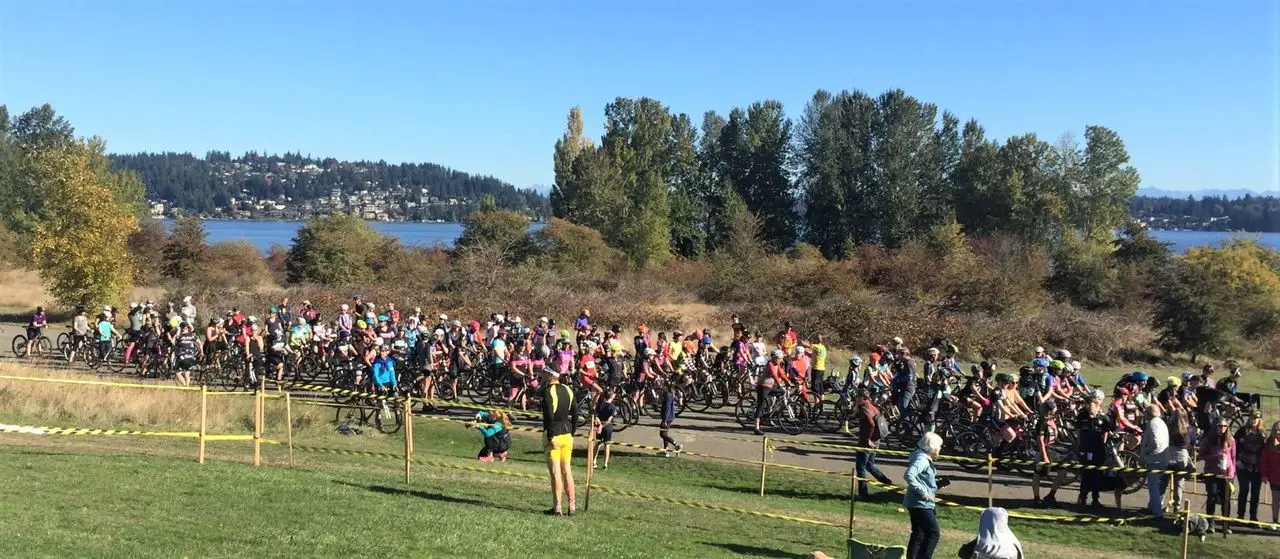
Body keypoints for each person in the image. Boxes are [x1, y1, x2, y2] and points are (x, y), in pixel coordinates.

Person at [541, 366, 576, 516]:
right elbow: (575, 412)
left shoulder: (549, 392)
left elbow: (549, 415)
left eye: (544, 372)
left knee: (555, 472)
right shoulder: (568, 389)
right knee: (567, 470)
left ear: (550, 375)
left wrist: (550, 436)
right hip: (567, 434)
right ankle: (572, 506)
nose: (542, 375)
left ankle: (558, 507)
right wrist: (572, 431)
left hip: (554, 435)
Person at [904, 432, 945, 559]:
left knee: (918, 534)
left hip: (916, 502)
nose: (940, 449)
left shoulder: (921, 457)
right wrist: (923, 491)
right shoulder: (922, 459)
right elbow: (909, 475)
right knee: (933, 533)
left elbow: (922, 480)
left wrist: (937, 484)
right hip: (921, 503)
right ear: (932, 447)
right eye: (939, 446)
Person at [1200, 416, 1237, 534]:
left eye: (1225, 426)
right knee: (1211, 497)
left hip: (1226, 474)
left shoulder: (1230, 440)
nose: (1222, 428)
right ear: (1215, 426)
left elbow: (1233, 457)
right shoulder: (1208, 440)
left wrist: (1233, 472)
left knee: (1226, 499)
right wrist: (1214, 456)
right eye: (1220, 426)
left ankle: (1226, 524)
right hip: (1212, 473)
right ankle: (1210, 523)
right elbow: (1202, 455)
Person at [854, 390, 894, 499]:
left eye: (857, 396)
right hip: (877, 441)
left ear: (862, 397)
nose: (856, 398)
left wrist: (867, 439)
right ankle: (886, 482)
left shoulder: (864, 409)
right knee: (869, 465)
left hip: (867, 442)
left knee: (861, 467)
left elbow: (871, 424)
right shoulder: (872, 406)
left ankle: (863, 494)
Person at [1138, 405, 1170, 519]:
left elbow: (1155, 443)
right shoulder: (1161, 422)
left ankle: (1156, 512)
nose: (1144, 414)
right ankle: (1153, 507)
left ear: (1150, 413)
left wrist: (1146, 452)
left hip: (1155, 460)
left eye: (1146, 412)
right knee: (1158, 486)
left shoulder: (1153, 423)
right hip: (1162, 459)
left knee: (1153, 487)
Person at [1235, 416, 1266, 522]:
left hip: (1257, 468)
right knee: (1244, 491)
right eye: (1252, 417)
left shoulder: (1263, 433)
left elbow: (1265, 451)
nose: (1254, 420)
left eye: (1256, 418)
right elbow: (1235, 445)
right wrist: (1237, 460)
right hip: (1243, 466)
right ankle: (1240, 515)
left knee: (1255, 493)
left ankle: (1253, 517)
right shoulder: (1242, 431)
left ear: (1259, 420)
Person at [1258, 421, 1280, 531]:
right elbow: (1264, 460)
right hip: (1275, 477)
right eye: (1276, 430)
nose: (1278, 432)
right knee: (1275, 501)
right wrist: (1264, 475)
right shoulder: (1269, 443)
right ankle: (1275, 521)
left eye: (1279, 430)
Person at [592, 390, 617, 469]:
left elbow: (596, 415)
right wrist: (602, 426)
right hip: (607, 427)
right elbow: (609, 420)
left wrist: (599, 425)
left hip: (599, 425)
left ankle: (593, 460)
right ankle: (605, 463)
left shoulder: (600, 404)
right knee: (607, 444)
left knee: (598, 443)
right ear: (611, 397)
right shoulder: (612, 407)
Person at [658, 380, 683, 457]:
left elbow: (667, 408)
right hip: (670, 417)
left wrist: (664, 420)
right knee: (665, 434)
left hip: (667, 418)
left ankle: (677, 444)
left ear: (666, 386)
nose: (661, 387)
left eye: (663, 385)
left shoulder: (668, 395)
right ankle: (666, 452)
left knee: (662, 434)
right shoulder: (671, 393)